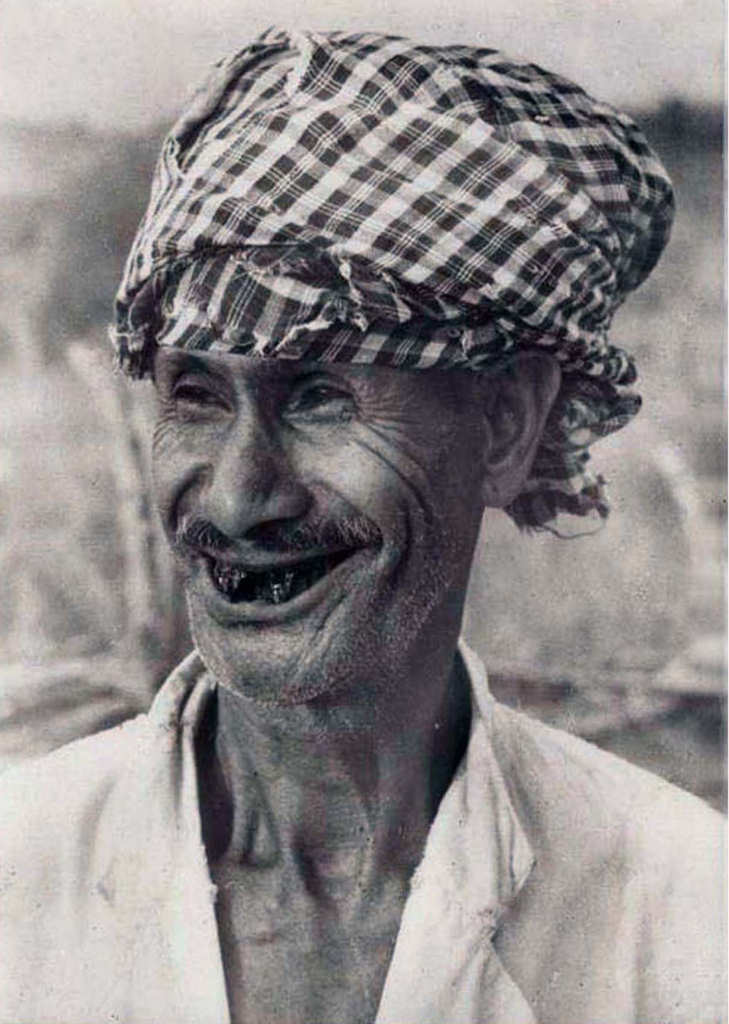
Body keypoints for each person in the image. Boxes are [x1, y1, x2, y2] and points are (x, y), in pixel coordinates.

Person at [0, 28, 724, 1024]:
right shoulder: (21, 878)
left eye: (319, 397)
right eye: (196, 395)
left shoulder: (683, 915)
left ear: (505, 426)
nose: (236, 499)